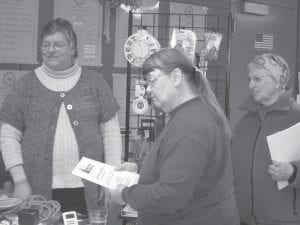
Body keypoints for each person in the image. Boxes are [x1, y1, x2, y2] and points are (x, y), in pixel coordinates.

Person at [0, 18, 122, 215]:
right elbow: (8, 136)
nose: (51, 50)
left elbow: (112, 134)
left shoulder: (95, 83)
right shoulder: (24, 86)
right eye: (46, 44)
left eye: (58, 44)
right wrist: (20, 180)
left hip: (88, 190)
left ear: (73, 48)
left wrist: (112, 180)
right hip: (37, 191)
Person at [109, 47, 240, 225]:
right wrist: (139, 169)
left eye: (152, 81)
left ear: (176, 77)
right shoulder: (193, 113)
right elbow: (184, 166)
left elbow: (169, 196)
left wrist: (125, 195)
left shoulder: (190, 124)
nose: (147, 90)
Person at [231, 53, 300, 225]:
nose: (251, 85)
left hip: (283, 220)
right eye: (250, 79)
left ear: (278, 81)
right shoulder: (246, 120)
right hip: (244, 218)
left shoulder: (296, 117)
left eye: (257, 79)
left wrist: (293, 173)